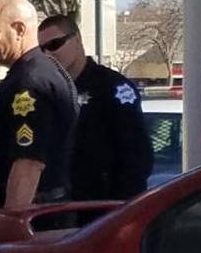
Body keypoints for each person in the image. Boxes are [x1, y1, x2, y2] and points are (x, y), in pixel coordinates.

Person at [0, 0, 78, 215]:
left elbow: (28, 163)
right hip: (43, 215)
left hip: (34, 220)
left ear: (19, 30)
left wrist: (11, 225)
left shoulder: (29, 82)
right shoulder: (38, 71)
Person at [38, 14, 152, 201]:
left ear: (77, 40)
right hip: (58, 209)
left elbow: (137, 157)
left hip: (103, 209)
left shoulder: (112, 87)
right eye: (41, 50)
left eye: (54, 45)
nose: (48, 54)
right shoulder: (48, 92)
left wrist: (117, 208)